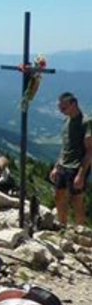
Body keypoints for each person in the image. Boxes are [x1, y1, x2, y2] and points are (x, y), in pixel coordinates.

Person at [49, 92, 92, 226]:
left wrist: (81, 174)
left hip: (77, 166)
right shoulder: (66, 121)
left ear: (74, 104)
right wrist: (56, 166)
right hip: (63, 165)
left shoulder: (86, 122)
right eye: (60, 108)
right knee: (59, 196)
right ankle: (62, 226)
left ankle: (80, 232)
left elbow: (90, 151)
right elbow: (65, 146)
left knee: (77, 200)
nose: (61, 111)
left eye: (64, 108)